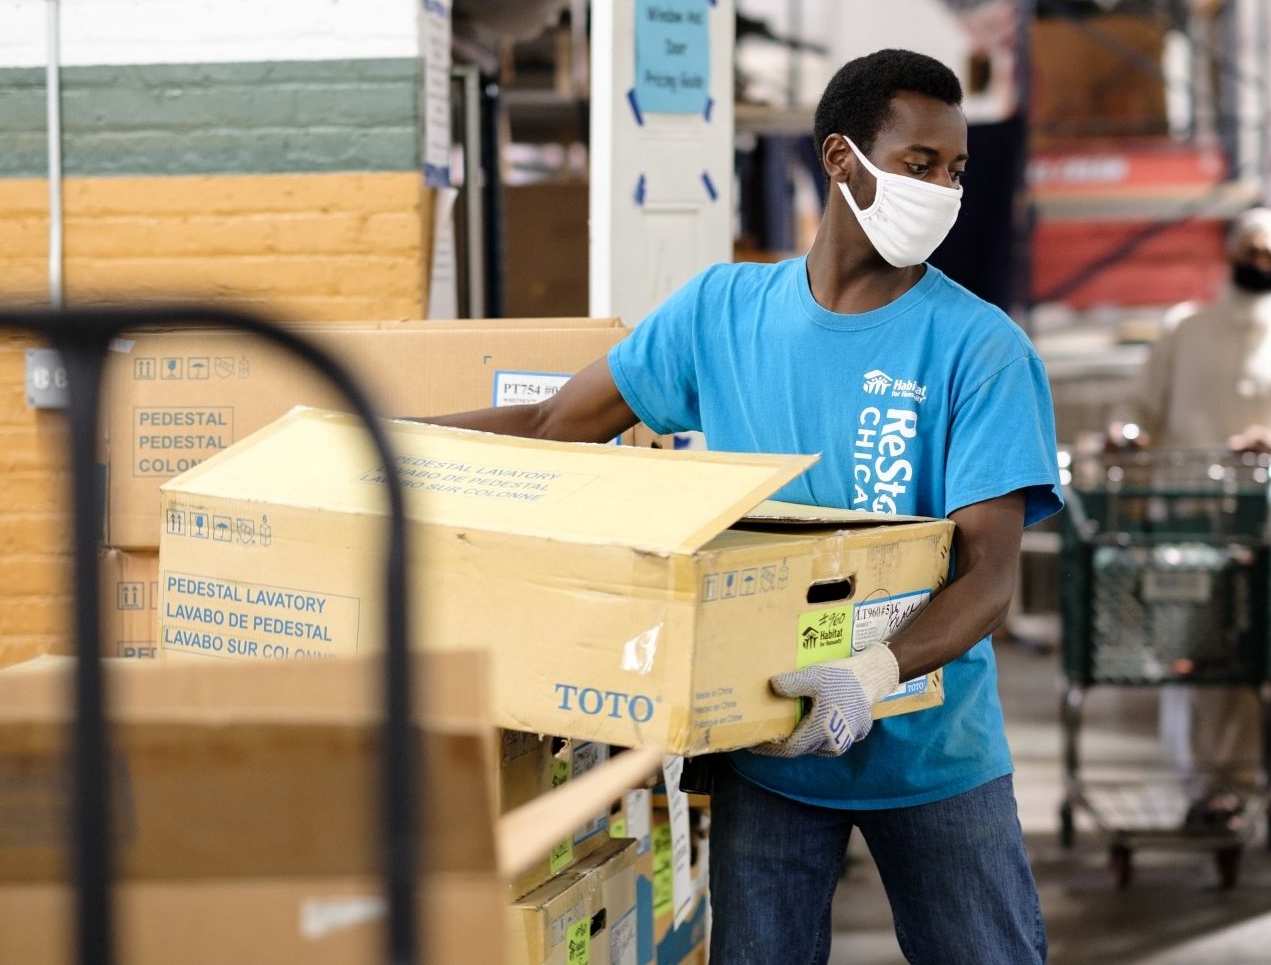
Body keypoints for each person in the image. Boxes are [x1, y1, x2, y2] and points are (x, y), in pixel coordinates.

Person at [421, 49, 1060, 964]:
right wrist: (372, 446)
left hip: (934, 758)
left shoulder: (981, 349)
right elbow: (559, 419)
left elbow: (991, 577)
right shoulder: (724, 311)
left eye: (955, 171)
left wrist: (869, 675)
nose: (944, 191)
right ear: (841, 159)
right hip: (769, 745)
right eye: (920, 165)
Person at [1115, 206, 1271, 825]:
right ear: (1232, 254)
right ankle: (1198, 782)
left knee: (1248, 655)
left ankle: (1233, 784)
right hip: (1186, 524)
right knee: (1189, 651)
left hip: (1267, 530)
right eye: (1253, 251)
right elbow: (1140, 407)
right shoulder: (1186, 330)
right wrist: (1126, 434)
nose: (1262, 263)